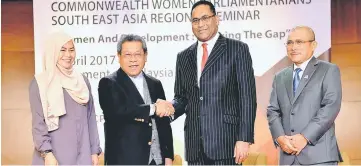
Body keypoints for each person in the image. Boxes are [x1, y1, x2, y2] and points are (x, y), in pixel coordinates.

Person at [156, 1, 257, 165]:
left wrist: (244, 138)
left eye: (205, 18)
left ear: (216, 19)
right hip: (195, 145)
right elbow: (182, 97)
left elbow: (247, 97)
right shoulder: (183, 57)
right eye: (195, 20)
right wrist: (170, 107)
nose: (200, 24)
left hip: (226, 144)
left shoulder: (237, 49)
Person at [267, 26, 343, 165]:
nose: (293, 47)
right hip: (288, 156)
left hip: (319, 156)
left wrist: (304, 137)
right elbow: (273, 111)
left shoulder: (328, 70)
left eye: (299, 42)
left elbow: (330, 107)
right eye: (289, 43)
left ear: (313, 45)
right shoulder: (280, 76)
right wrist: (280, 138)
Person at [98, 34, 174, 165]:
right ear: (119, 56)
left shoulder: (155, 84)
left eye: (138, 54)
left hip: (157, 161)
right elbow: (119, 111)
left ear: (145, 56)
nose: (133, 59)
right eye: (127, 55)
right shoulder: (108, 83)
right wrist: (153, 108)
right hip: (125, 160)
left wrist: (168, 156)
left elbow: (163, 124)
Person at [29, 30, 102, 165]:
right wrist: (47, 153)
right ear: (53, 52)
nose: (68, 55)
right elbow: (38, 124)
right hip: (53, 156)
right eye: (62, 50)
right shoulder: (40, 83)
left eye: (71, 50)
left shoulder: (82, 81)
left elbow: (91, 118)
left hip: (82, 155)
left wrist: (94, 151)